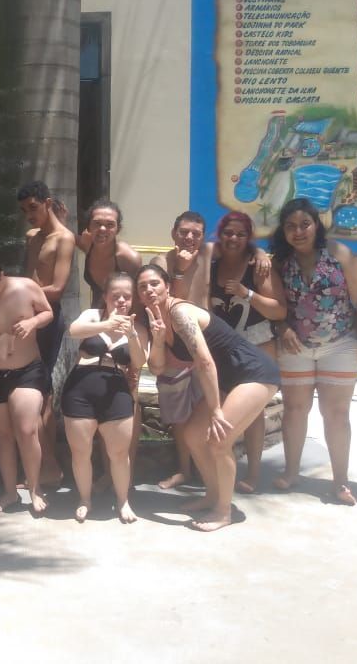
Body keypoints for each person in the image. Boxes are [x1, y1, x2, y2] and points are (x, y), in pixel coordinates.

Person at [137, 263, 280, 531]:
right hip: (228, 378)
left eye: (154, 283)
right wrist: (158, 339)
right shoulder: (155, 320)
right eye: (142, 286)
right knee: (193, 434)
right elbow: (156, 368)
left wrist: (215, 410)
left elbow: (204, 362)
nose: (149, 290)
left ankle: (224, 511)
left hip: (253, 372)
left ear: (167, 286)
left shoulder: (180, 313)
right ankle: (213, 496)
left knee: (219, 440)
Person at [270, 198, 357, 505]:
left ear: (316, 225)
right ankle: (291, 472)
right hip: (295, 347)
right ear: (283, 230)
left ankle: (340, 482)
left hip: (340, 344)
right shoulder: (280, 262)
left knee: (337, 414)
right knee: (295, 410)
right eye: (291, 226)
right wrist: (283, 327)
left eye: (305, 224)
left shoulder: (339, 254)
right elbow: (275, 306)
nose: (298, 231)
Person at [153, 210, 272, 490]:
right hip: (175, 347)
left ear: (203, 236)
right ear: (173, 234)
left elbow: (239, 243)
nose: (189, 238)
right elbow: (170, 302)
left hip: (206, 346)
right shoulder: (161, 262)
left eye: (196, 233)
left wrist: (260, 253)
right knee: (179, 413)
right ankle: (185, 470)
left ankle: (227, 473)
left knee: (206, 408)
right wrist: (180, 270)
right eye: (183, 232)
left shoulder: (207, 252)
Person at [0, 254, 55, 513]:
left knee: (27, 430)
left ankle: (35, 488)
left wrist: (32, 321)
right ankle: (9, 491)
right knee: (3, 436)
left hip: (27, 369)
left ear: (1, 275)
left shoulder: (26, 286)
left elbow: (48, 313)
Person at [208, 211, 286, 493]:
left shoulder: (258, 267)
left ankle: (252, 473)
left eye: (241, 234)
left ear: (249, 237)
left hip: (256, 345)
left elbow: (279, 310)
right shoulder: (211, 265)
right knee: (220, 410)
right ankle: (218, 471)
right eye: (228, 232)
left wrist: (247, 293)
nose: (234, 238)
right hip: (223, 347)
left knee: (254, 414)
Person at [61, 272, 144, 523]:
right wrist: (107, 325)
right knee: (80, 452)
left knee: (119, 454)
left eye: (126, 296)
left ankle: (123, 501)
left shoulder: (136, 327)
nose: (121, 301)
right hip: (81, 387)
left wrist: (131, 334)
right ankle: (85, 499)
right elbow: (73, 330)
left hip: (116, 390)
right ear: (105, 297)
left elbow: (140, 361)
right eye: (115, 296)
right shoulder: (92, 316)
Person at [18, 180, 75, 486]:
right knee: (29, 391)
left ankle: (50, 467)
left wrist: (20, 293)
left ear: (47, 203)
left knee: (44, 393)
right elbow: (29, 276)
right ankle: (38, 466)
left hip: (48, 320)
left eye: (33, 208)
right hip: (25, 318)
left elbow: (58, 288)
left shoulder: (64, 238)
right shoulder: (32, 237)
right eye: (25, 210)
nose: (29, 215)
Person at [76, 199, 141, 308]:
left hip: (122, 315)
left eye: (110, 224)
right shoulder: (88, 245)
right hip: (96, 313)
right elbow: (68, 236)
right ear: (89, 227)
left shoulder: (128, 258)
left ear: (118, 229)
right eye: (97, 223)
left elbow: (138, 299)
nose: (102, 229)